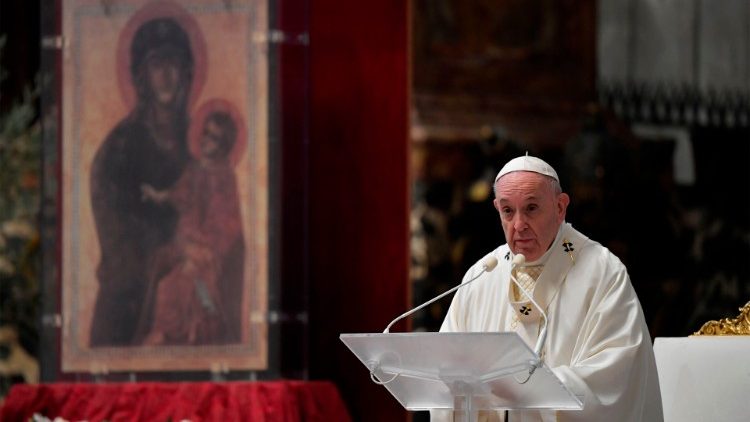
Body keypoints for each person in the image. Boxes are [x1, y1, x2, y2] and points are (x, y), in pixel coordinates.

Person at [431, 155, 663, 421]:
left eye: (531, 208)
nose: (518, 225)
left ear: (560, 206)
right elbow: (445, 369)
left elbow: (615, 379)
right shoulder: (483, 275)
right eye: (508, 211)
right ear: (497, 209)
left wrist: (521, 387)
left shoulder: (603, 273)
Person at [89, 17, 194, 346]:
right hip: (130, 302)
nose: (166, 75)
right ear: (142, 76)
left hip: (186, 287)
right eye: (157, 65)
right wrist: (166, 250)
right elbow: (115, 231)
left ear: (186, 73)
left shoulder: (201, 139)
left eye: (174, 64)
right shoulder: (119, 147)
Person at [137, 110, 245, 345]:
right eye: (205, 133)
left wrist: (201, 247)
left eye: (214, 137)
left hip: (208, 250)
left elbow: (227, 223)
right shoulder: (195, 169)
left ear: (224, 145)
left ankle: (175, 331)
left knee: (181, 283)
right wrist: (157, 195)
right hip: (185, 243)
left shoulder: (225, 177)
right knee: (164, 268)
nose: (206, 140)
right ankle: (170, 331)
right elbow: (179, 193)